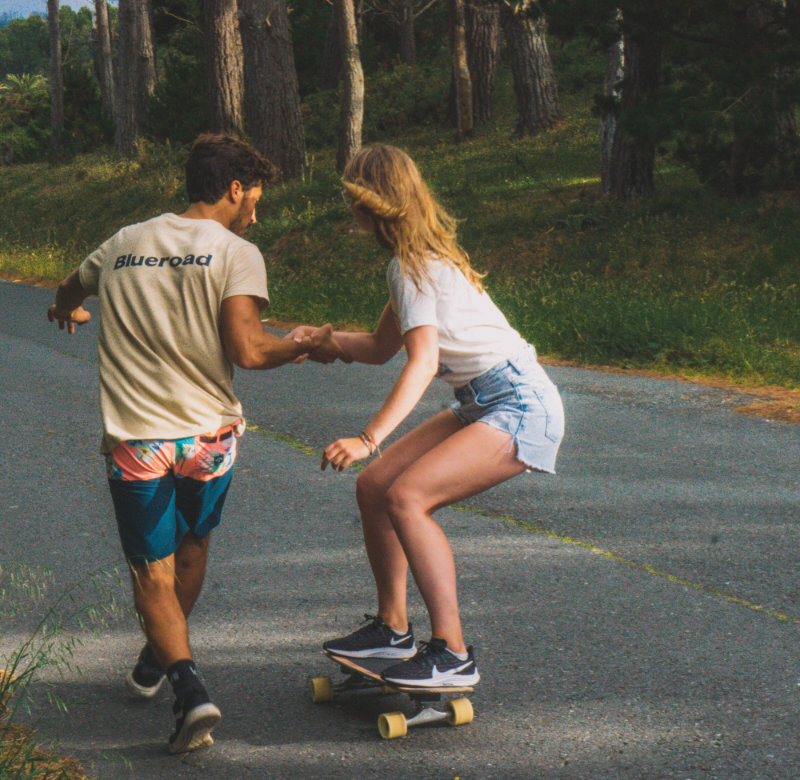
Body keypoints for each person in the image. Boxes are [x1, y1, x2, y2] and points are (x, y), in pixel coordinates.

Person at [47, 134, 344, 753]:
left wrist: (69, 311)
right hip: (208, 438)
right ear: (234, 189)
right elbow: (251, 350)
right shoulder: (236, 252)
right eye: (254, 199)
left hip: (139, 442)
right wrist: (310, 343)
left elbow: (69, 290)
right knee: (191, 546)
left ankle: (184, 683)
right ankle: (167, 662)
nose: (256, 214)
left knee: (149, 570)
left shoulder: (123, 242)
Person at [295, 143, 565, 687]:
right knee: (375, 488)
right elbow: (378, 345)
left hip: (518, 403)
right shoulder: (417, 260)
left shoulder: (412, 266)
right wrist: (327, 342)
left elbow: (421, 363)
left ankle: (452, 654)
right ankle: (392, 630)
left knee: (408, 497)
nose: (351, 212)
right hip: (483, 399)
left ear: (372, 206)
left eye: (354, 200)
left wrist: (368, 436)